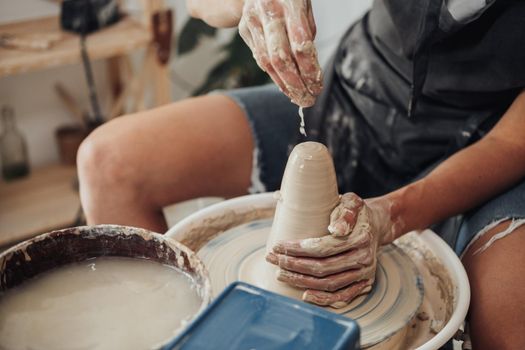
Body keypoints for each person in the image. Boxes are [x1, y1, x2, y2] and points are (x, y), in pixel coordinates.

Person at [77, 0, 525, 348]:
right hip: (361, 93)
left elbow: (511, 143)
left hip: (493, 136)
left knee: (510, 322)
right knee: (109, 163)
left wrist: (396, 213)